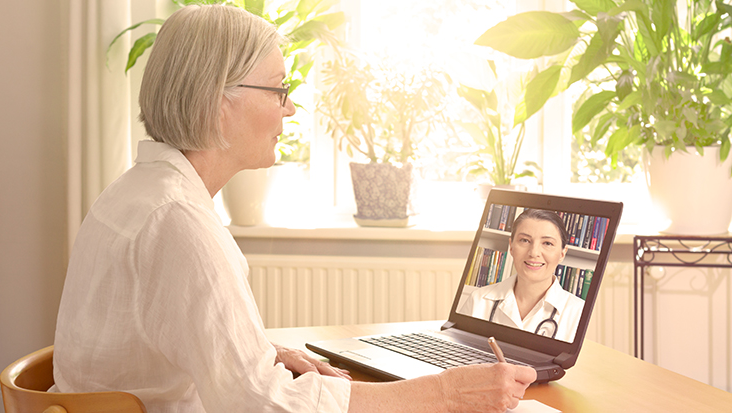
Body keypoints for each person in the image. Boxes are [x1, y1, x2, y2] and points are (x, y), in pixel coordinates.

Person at [53, 4, 536, 412]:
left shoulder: (137, 193)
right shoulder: (177, 221)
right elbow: (264, 403)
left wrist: (265, 352)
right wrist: (446, 392)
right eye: (278, 89)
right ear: (218, 101)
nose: (290, 109)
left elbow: (175, 343)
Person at [459, 209, 585, 343]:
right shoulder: (478, 300)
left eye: (547, 243)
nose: (534, 252)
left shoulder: (578, 312)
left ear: (562, 254)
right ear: (511, 247)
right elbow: (457, 358)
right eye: (525, 240)